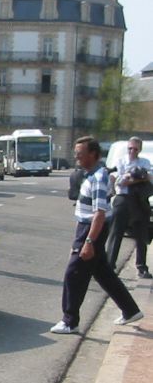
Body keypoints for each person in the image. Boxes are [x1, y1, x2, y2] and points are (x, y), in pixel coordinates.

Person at [50, 136, 144, 334]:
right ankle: (130, 310)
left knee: (73, 275)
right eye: (76, 153)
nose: (76, 157)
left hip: (91, 230)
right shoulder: (91, 175)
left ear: (92, 154)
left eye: (80, 153)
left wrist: (89, 242)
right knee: (103, 273)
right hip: (86, 229)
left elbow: (99, 214)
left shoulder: (99, 178)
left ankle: (70, 321)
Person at [105, 136, 152, 278]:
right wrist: (136, 177)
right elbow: (119, 182)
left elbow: (149, 176)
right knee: (116, 233)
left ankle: (142, 267)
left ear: (140, 149)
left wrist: (133, 177)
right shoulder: (121, 161)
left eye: (135, 148)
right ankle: (110, 265)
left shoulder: (145, 161)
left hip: (139, 200)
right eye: (130, 148)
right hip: (123, 199)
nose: (132, 151)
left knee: (141, 235)